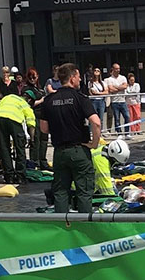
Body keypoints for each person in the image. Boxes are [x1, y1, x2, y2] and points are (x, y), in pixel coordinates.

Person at [42, 63, 102, 213]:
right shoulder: (80, 98)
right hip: (79, 149)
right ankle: (84, 227)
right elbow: (96, 122)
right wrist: (94, 143)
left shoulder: (49, 100)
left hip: (60, 152)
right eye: (79, 76)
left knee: (61, 192)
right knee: (84, 191)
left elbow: (43, 128)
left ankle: (63, 226)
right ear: (72, 77)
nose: (80, 80)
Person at [0, 90, 36, 184]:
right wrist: (32, 139)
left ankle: (9, 176)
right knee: (20, 148)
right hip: (14, 122)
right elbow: (31, 123)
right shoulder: (24, 104)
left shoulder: (8, 97)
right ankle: (20, 176)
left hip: (0, 120)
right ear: (29, 100)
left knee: (5, 149)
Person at [23, 68, 49, 170]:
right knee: (35, 141)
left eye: (34, 77)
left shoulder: (40, 89)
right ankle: (35, 162)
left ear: (37, 77)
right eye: (30, 77)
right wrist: (41, 100)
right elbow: (28, 104)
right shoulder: (27, 89)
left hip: (43, 117)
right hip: (34, 117)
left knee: (44, 140)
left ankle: (43, 161)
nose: (32, 79)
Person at [104, 63, 129, 135]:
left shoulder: (123, 77)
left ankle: (127, 132)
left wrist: (116, 87)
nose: (118, 70)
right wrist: (120, 87)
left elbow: (125, 86)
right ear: (113, 69)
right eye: (116, 69)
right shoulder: (110, 79)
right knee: (117, 118)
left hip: (123, 101)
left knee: (127, 117)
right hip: (114, 101)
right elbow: (111, 90)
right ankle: (119, 132)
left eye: (119, 68)